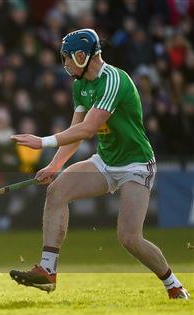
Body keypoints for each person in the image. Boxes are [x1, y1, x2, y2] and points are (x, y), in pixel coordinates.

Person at [10, 29, 190, 300]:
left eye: (67, 58)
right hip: (105, 161)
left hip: (136, 165)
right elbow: (75, 130)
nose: (66, 64)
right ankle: (47, 271)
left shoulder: (113, 80)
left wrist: (43, 142)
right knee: (56, 191)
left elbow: (88, 130)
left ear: (82, 56)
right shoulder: (80, 85)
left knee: (129, 238)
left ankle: (173, 284)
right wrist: (55, 165)